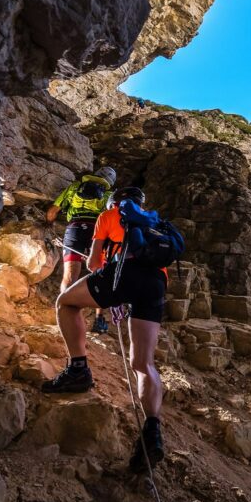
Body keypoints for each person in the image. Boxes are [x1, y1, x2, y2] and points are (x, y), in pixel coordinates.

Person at [42, 187, 168, 473]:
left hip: (124, 274)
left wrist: (111, 292)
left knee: (66, 302)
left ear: (117, 202)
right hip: (156, 283)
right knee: (143, 363)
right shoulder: (156, 223)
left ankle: (78, 369)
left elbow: (95, 261)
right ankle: (152, 429)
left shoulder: (109, 215)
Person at [46, 167, 116, 332]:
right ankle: (99, 320)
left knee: (70, 273)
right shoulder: (108, 196)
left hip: (75, 229)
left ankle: (63, 314)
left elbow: (53, 211)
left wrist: (48, 224)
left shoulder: (75, 188)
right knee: (100, 273)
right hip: (98, 233)